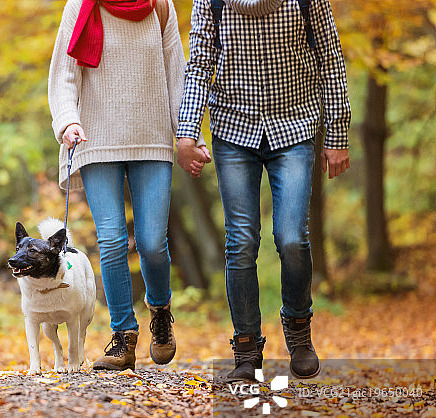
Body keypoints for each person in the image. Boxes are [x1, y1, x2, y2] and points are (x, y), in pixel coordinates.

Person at [176, 0, 351, 381]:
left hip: (296, 125)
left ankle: (299, 330)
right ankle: (246, 346)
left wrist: (337, 134)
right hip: (234, 129)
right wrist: (187, 131)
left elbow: (331, 59)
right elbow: (200, 62)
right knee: (240, 241)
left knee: (291, 237)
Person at [48, 0, 210, 371]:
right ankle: (123, 335)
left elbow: (176, 74)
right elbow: (64, 73)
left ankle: (161, 313)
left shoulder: (160, 7)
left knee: (153, 243)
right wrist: (67, 120)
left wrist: (188, 135)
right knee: (112, 239)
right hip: (95, 139)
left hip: (151, 140)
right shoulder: (82, 5)